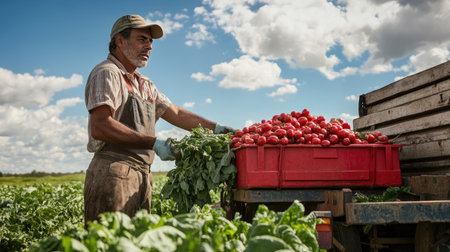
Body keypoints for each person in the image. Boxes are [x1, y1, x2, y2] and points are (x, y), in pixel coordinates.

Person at [83, 14, 234, 225]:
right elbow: (100, 126)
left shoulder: (145, 84)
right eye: (142, 39)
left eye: (150, 41)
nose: (149, 47)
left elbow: (177, 114)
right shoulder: (107, 73)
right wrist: (153, 143)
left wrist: (217, 129)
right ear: (119, 41)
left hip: (142, 174)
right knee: (109, 242)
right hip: (114, 172)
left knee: (137, 242)